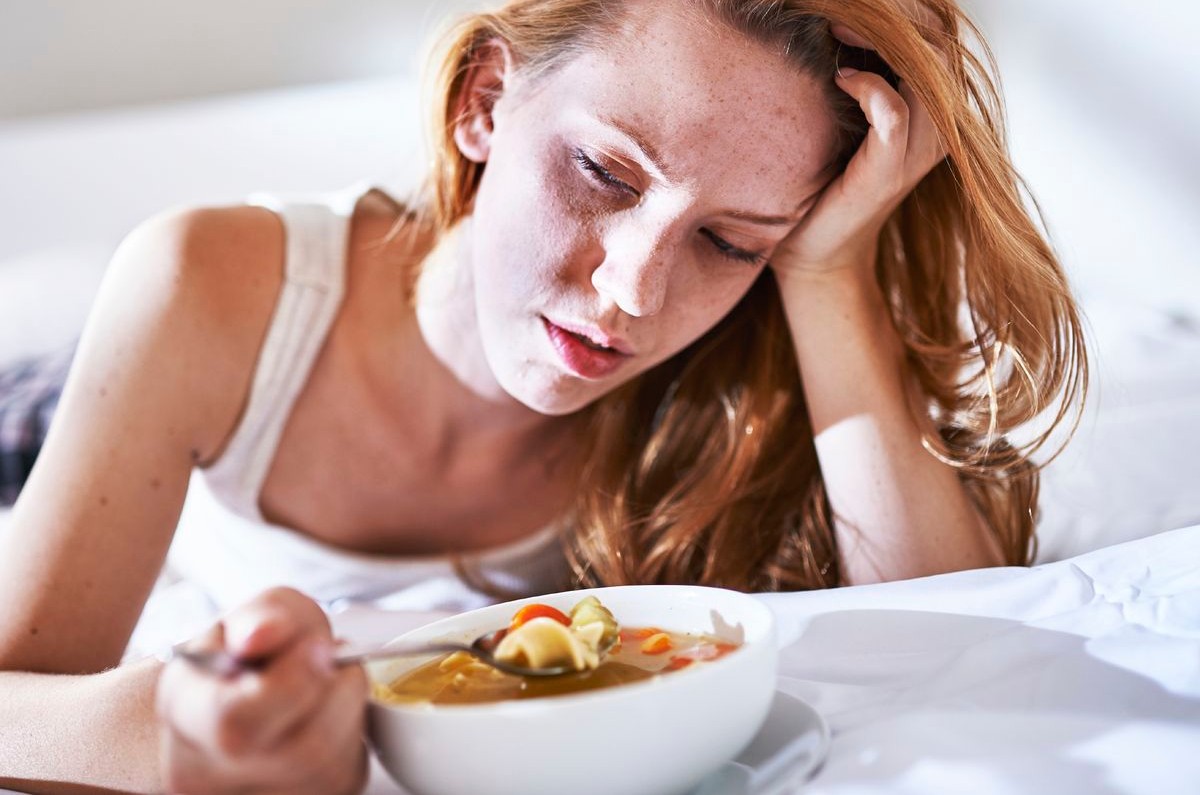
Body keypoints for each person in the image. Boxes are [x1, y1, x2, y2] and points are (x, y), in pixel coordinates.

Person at [0, 0, 1087, 792]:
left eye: (726, 239)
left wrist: (824, 272)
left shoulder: (735, 372)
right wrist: (164, 731)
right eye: (606, 175)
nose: (630, 293)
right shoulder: (208, 287)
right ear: (484, 100)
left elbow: (961, 652)